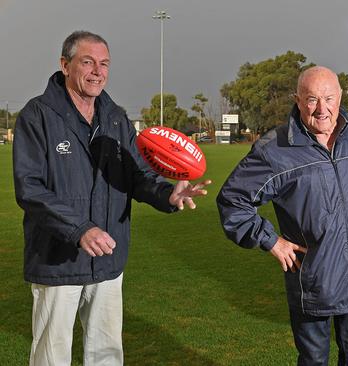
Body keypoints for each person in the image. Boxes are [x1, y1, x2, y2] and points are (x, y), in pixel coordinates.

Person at [13, 30, 211, 366]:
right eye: (87, 62)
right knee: (51, 355)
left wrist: (169, 193)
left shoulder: (116, 117)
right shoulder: (37, 116)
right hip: (57, 260)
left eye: (104, 64)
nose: (97, 71)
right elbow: (30, 188)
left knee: (106, 354)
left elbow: (137, 177)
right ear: (65, 65)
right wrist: (80, 230)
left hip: (108, 259)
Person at [217, 66, 348, 365]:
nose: (322, 109)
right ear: (298, 100)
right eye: (312, 99)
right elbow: (232, 200)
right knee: (314, 360)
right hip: (311, 279)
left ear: (340, 97)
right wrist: (271, 241)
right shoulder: (274, 149)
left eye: (329, 98)